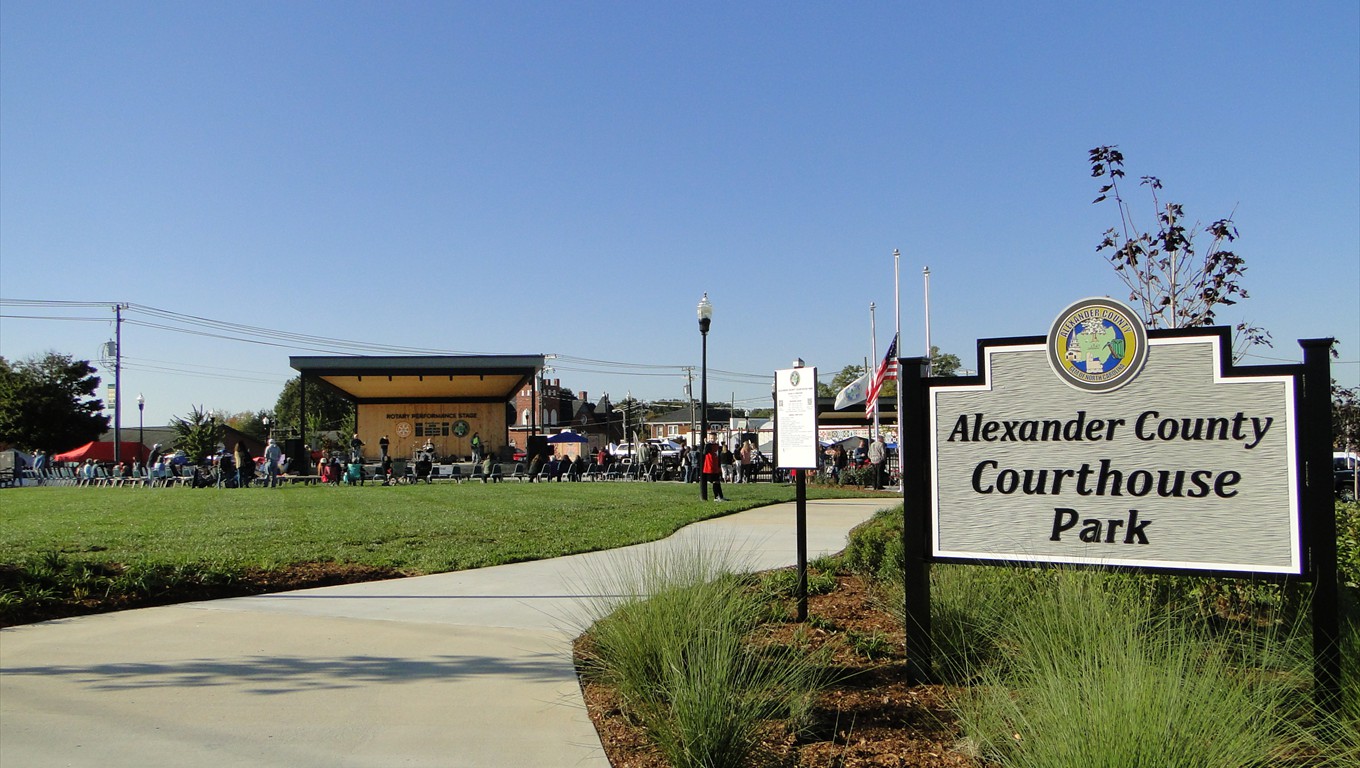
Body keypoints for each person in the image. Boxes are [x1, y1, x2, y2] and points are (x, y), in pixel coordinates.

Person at [700, 437, 727, 501]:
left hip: (715, 467)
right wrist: (706, 444)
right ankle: (716, 497)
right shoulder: (709, 446)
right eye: (711, 438)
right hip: (710, 467)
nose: (713, 439)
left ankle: (720, 496)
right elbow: (705, 452)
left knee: (717, 482)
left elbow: (718, 456)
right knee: (715, 482)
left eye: (714, 438)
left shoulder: (717, 446)